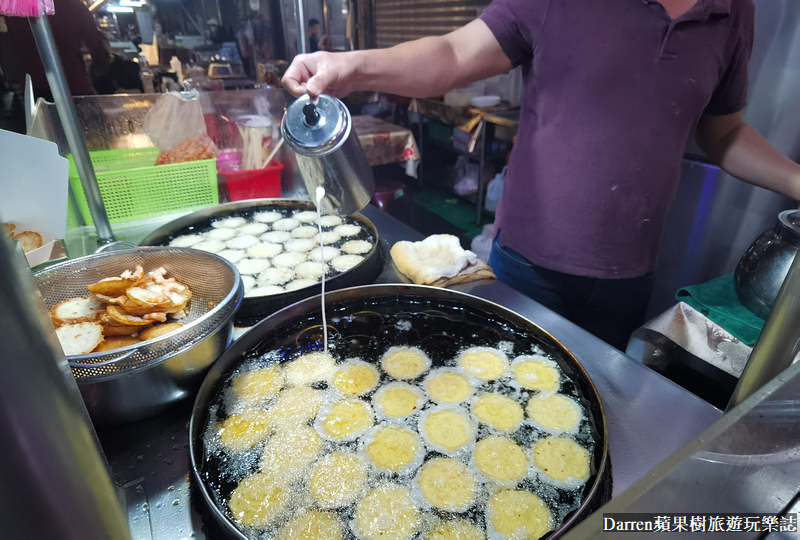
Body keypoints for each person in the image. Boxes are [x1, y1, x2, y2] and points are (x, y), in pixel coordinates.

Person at [282, 0, 800, 350]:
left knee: (587, 413)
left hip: (628, 279)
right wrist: (352, 65)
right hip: (528, 269)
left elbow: (723, 133)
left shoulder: (733, 12)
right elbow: (454, 53)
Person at [2, 0, 110, 99]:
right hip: (74, 87)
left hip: (32, 90)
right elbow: (98, 53)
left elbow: (8, 52)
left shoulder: (12, 9)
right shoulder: (75, 6)